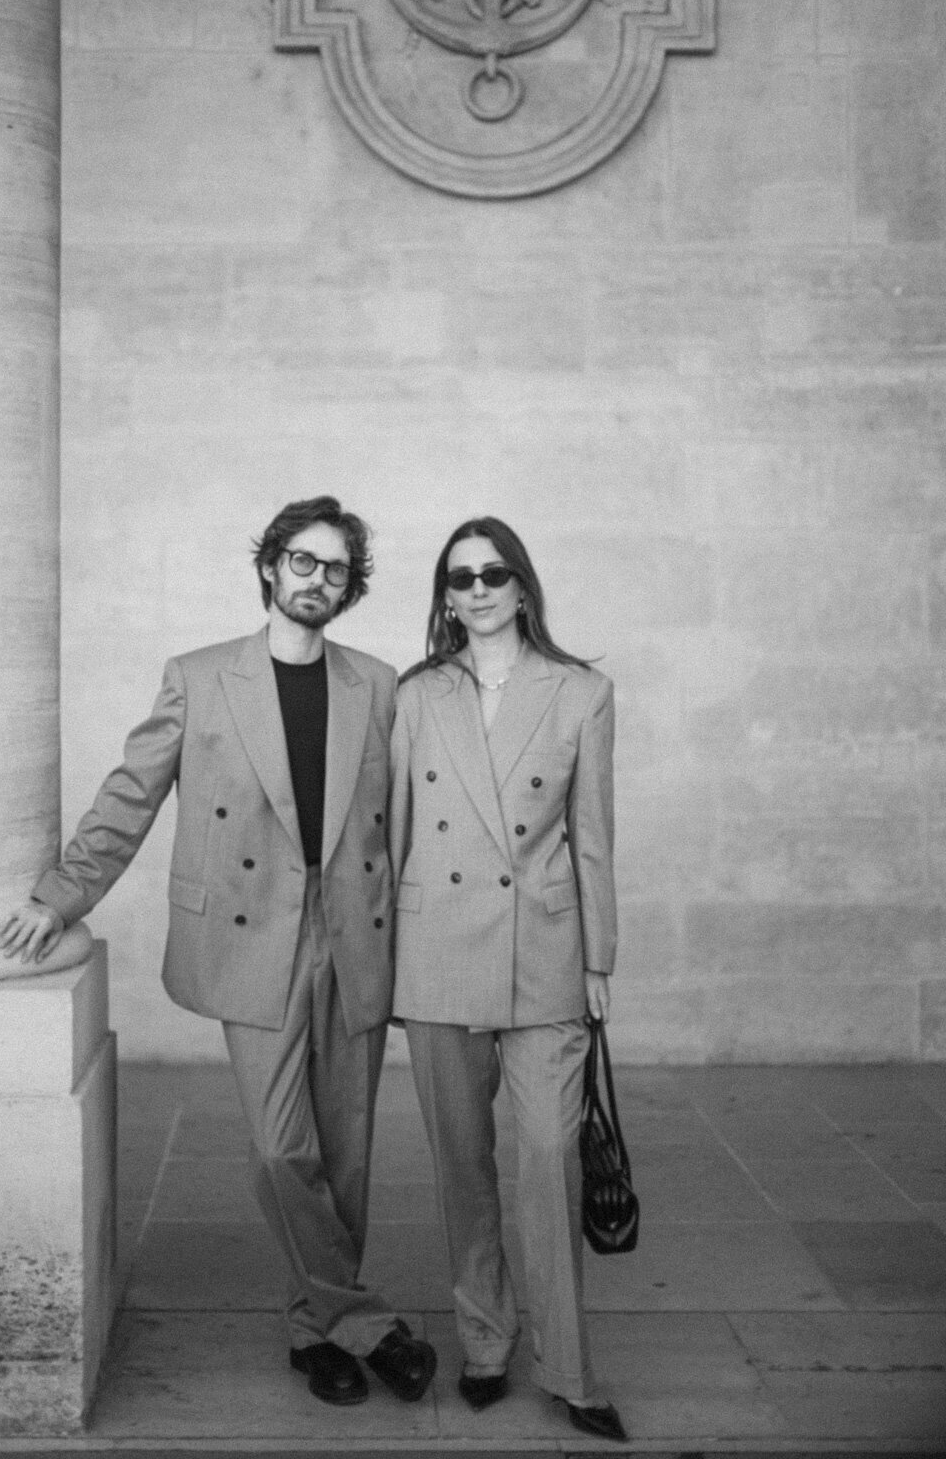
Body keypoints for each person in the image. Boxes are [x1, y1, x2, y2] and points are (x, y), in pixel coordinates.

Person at [0, 496, 436, 1408]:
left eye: (337, 569)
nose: (319, 580)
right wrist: (62, 892)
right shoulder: (199, 677)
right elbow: (132, 794)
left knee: (347, 1155)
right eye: (303, 562)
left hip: (354, 932)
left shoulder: (380, 684)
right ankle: (365, 1321)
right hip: (252, 932)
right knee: (285, 1149)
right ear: (272, 566)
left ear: (352, 588)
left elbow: (411, 823)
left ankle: (313, 1331)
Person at [388, 516, 626, 1443]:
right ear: (446, 597)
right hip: (439, 951)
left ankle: (569, 1369)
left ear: (522, 586)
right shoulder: (418, 695)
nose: (477, 590)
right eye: (460, 579)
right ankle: (486, 1343)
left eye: (493, 574)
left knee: (548, 1158)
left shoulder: (581, 692)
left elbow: (594, 837)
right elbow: (397, 831)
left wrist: (598, 956)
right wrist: (386, 961)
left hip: (543, 952)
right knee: (462, 1164)